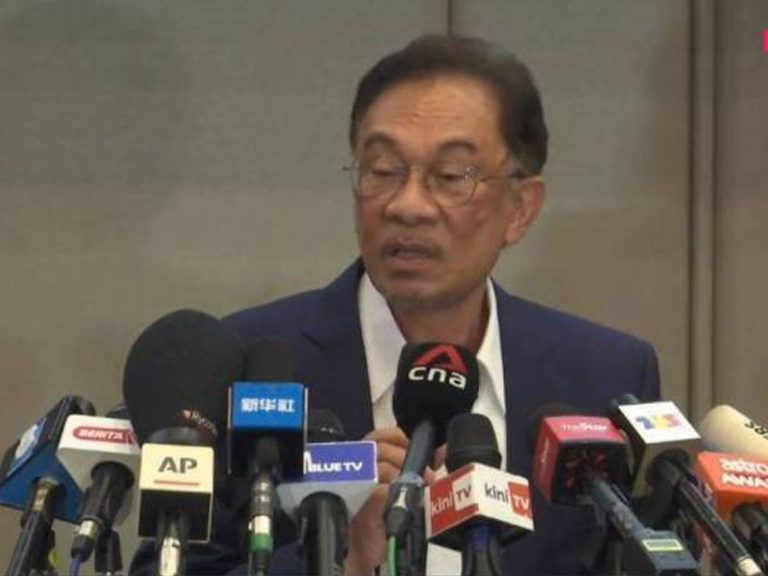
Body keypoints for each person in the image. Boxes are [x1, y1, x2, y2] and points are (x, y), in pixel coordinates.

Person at [132, 34, 659, 575]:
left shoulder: (604, 378)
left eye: (451, 177)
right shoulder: (240, 367)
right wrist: (338, 557)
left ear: (520, 208)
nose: (408, 206)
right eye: (382, 170)